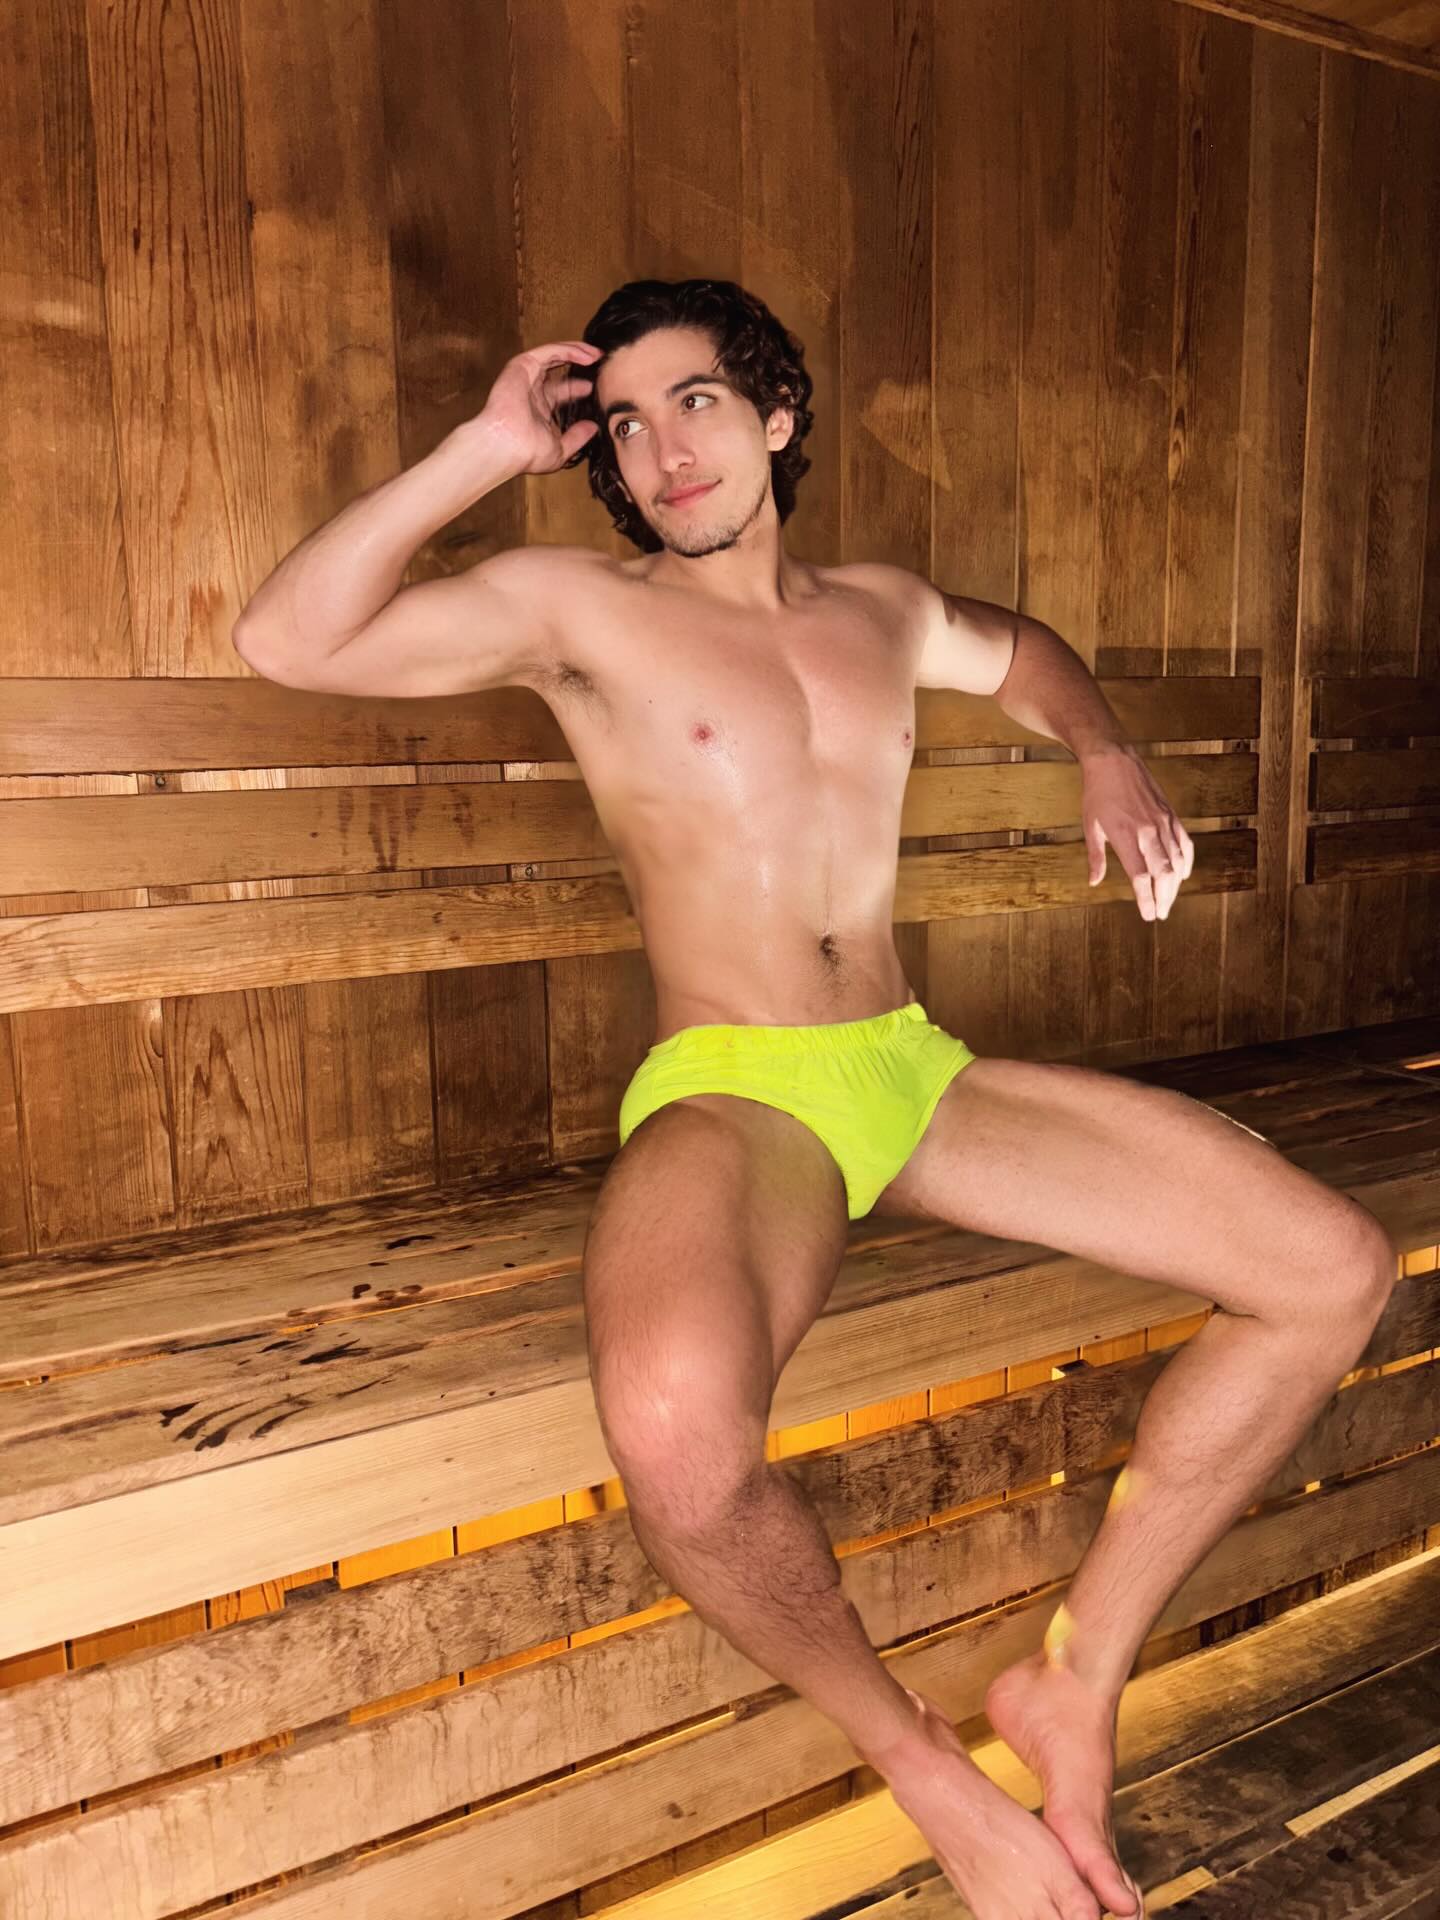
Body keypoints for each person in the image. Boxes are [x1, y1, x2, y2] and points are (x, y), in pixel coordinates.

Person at [233, 277, 1396, 1920]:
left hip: (908, 1068)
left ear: (777, 416)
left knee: (1333, 1271)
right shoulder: (575, 610)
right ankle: (923, 1768)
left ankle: (1076, 1679)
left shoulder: (883, 611)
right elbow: (287, 641)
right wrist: (486, 448)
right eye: (623, 424)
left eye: (695, 403)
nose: (661, 451)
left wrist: (1101, 747)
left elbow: (1027, 653)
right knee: (675, 1436)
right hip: (738, 1089)